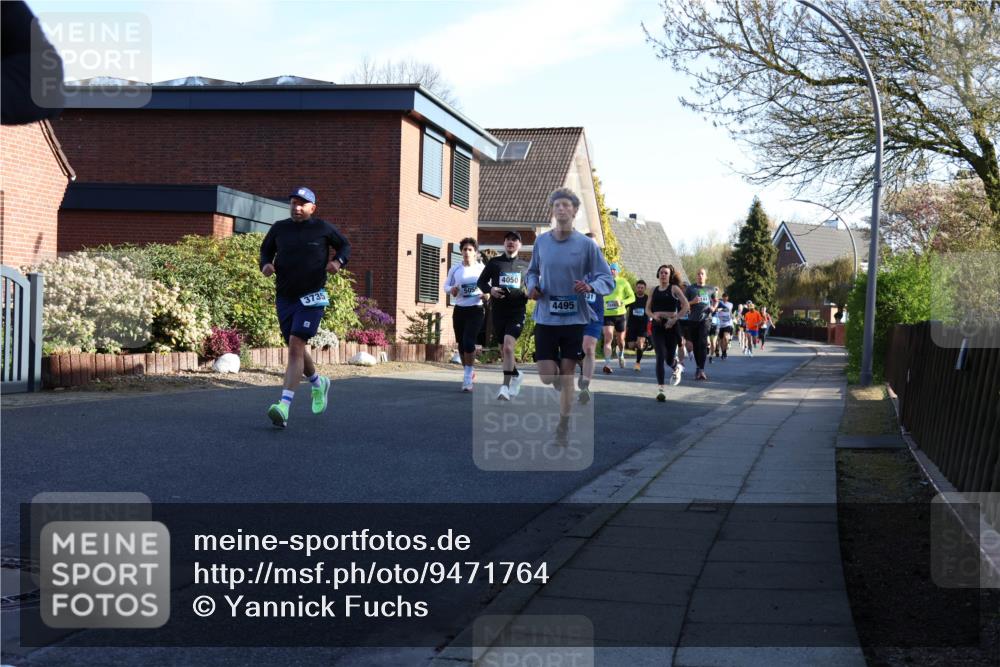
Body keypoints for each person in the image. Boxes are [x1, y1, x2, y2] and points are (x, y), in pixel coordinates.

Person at [259, 186, 351, 428]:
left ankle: (284, 406)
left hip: (312, 297)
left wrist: (338, 261)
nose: (296, 207)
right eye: (293, 203)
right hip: (285, 297)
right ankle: (319, 384)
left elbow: (345, 246)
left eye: (302, 204)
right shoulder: (279, 228)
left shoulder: (323, 228)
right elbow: (265, 250)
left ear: (312, 208)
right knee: (295, 347)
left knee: (295, 347)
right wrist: (266, 265)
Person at [526, 188, 613, 440]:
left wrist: (590, 286)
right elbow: (531, 272)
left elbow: (605, 277)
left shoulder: (586, 245)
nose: (561, 209)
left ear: (575, 211)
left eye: (566, 205)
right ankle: (556, 383)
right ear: (552, 211)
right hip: (546, 317)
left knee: (566, 377)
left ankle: (562, 425)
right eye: (557, 205)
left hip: (575, 320)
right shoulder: (541, 242)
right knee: (546, 376)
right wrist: (532, 287)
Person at [478, 231, 529, 400]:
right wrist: (490, 290)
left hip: (517, 312)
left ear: (519, 245)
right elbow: (481, 282)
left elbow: (533, 287)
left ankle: (505, 387)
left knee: (508, 347)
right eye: (508, 239)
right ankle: (516, 374)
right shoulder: (495, 263)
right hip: (498, 312)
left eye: (515, 240)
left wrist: (530, 293)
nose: (511, 242)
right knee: (503, 350)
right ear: (504, 243)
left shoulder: (525, 265)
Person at [444, 237, 486, 392]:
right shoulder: (455, 269)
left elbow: (490, 286)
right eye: (464, 249)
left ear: (475, 252)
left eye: (470, 249)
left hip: (476, 308)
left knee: (469, 341)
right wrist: (452, 289)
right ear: (461, 252)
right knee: (461, 344)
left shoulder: (481, 268)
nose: (467, 252)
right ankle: (468, 370)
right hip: (460, 309)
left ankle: (467, 378)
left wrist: (486, 294)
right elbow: (446, 286)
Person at [648, 264, 690, 401]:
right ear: (658, 274)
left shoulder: (674, 289)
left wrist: (675, 318)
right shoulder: (653, 290)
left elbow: (686, 306)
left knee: (669, 359)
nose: (663, 275)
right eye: (661, 272)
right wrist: (654, 316)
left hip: (671, 326)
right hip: (657, 326)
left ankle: (676, 366)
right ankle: (661, 389)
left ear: (669, 275)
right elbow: (647, 309)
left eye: (666, 273)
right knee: (660, 355)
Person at [576, 233, 605, 404]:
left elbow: (609, 285)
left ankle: (585, 385)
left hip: (594, 315)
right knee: (576, 351)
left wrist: (591, 286)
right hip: (574, 314)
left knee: (589, 347)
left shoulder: (602, 267)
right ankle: (582, 367)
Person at [601, 263, 636, 374]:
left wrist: (622, 302)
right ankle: (607, 363)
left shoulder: (623, 282)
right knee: (608, 338)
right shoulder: (603, 282)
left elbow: (632, 297)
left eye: (614, 270)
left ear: (617, 271)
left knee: (620, 340)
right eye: (610, 269)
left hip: (620, 314)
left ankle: (621, 353)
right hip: (607, 314)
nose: (611, 271)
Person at [683, 268, 717, 381]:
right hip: (693, 320)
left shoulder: (711, 289)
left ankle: (701, 369)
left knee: (702, 342)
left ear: (706, 276)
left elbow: (716, 300)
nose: (700, 276)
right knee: (696, 345)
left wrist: (713, 307)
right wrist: (693, 302)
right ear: (696, 276)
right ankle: (698, 367)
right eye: (698, 274)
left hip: (706, 319)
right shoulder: (690, 289)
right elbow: (683, 303)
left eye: (702, 274)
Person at [625, 280, 651, 372]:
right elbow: (624, 306)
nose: (640, 289)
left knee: (639, 345)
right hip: (632, 324)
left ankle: (637, 363)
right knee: (631, 345)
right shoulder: (632, 298)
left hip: (643, 325)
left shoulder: (648, 299)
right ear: (636, 288)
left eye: (642, 288)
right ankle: (643, 345)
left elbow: (653, 308)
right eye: (638, 287)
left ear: (645, 289)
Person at [715, 293, 734, 359]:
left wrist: (732, 318)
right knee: (721, 340)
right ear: (722, 297)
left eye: (726, 297)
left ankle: (724, 352)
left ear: (727, 298)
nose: (725, 298)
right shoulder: (719, 303)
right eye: (724, 297)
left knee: (726, 338)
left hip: (727, 323)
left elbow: (730, 312)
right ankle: (723, 352)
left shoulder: (730, 304)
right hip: (720, 324)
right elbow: (716, 310)